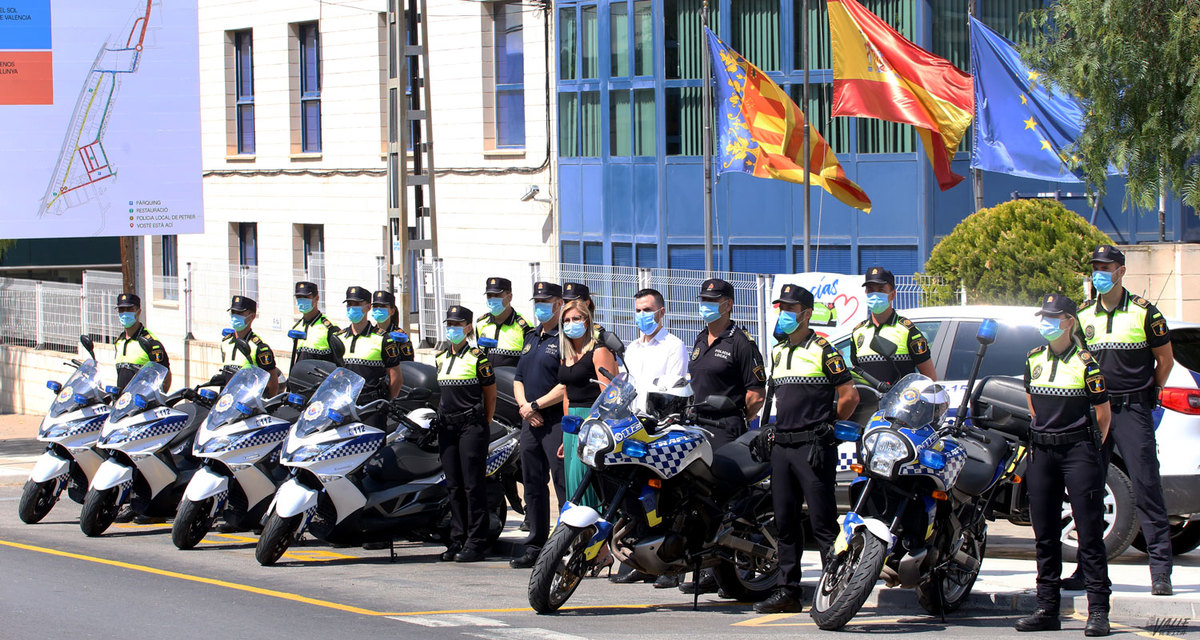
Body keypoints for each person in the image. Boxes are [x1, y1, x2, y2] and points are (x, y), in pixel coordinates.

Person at [1061, 245, 1174, 596]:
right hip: (1094, 413)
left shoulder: (1145, 313)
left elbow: (1165, 361)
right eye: (1095, 266)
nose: (1099, 273)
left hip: (1132, 410)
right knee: (1087, 490)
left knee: (1145, 487)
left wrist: (1148, 393)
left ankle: (1160, 571)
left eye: (1105, 267)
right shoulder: (1082, 316)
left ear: (1121, 271)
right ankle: (1088, 569)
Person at [754, 284, 859, 613]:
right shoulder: (777, 351)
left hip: (813, 448)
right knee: (785, 522)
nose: (784, 313)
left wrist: (829, 428)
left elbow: (850, 396)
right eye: (781, 307)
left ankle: (835, 589)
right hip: (783, 447)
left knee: (823, 523)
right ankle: (788, 592)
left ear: (806, 313)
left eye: (790, 307)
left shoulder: (825, 350)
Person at [1015, 293, 1111, 637]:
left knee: (1088, 532)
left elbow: (1103, 414)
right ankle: (1047, 607)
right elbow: (1031, 402)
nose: (1047, 322)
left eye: (1054, 317)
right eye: (1044, 315)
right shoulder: (1033, 358)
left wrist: (1088, 447)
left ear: (1069, 321)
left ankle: (1099, 610)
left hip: (1078, 452)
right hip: (1042, 453)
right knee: (1044, 533)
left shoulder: (1087, 362)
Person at [683, 277, 766, 595]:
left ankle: (719, 567)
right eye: (703, 299)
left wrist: (734, 417)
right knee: (694, 498)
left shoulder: (741, 342)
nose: (705, 305)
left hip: (725, 430)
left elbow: (756, 394)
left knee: (719, 500)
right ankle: (698, 562)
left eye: (712, 300)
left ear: (728, 305)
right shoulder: (701, 337)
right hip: (695, 426)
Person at [611, 287, 689, 587]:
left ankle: (670, 563)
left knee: (665, 496)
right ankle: (640, 560)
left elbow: (673, 387)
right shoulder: (632, 348)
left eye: (648, 310)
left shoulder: (673, 346)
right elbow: (625, 385)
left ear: (661, 312)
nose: (642, 315)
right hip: (631, 427)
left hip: (659, 428)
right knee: (633, 494)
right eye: (638, 310)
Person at [510, 281, 568, 569]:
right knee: (532, 483)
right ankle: (536, 543)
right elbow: (518, 377)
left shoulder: (565, 339)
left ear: (559, 304)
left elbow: (565, 384)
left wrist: (536, 406)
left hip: (553, 420)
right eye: (537, 301)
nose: (540, 306)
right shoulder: (531, 337)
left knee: (561, 484)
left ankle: (563, 546)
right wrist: (524, 407)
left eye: (546, 301)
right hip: (530, 421)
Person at [435, 305, 497, 563]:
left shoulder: (477, 357)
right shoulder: (440, 357)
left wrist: (485, 419)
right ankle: (457, 538)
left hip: (471, 426)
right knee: (453, 485)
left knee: (473, 485)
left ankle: (476, 541)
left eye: (458, 324)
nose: (453, 329)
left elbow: (490, 393)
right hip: (447, 427)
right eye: (449, 323)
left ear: (469, 327)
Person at [553, 300, 617, 508]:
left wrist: (594, 427)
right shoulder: (566, 355)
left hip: (592, 421)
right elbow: (566, 394)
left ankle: (597, 534)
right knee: (572, 481)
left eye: (576, 318)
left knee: (585, 479)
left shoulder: (599, 351)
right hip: (572, 424)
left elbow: (608, 395)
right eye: (567, 320)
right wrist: (566, 432)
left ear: (587, 321)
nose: (571, 323)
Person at [849, 266, 936, 386]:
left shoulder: (907, 330)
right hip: (870, 404)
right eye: (870, 290)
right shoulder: (858, 332)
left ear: (893, 294)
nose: (875, 295)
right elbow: (857, 375)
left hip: (901, 403)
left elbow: (929, 379)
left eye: (881, 290)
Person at [339, 286, 404, 429]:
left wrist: (387, 403)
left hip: (371, 408)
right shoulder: (338, 337)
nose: (352, 308)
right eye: (349, 304)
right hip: (343, 406)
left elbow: (396, 377)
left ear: (368, 307)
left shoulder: (383, 339)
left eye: (357, 304)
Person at [221, 295, 281, 395]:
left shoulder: (260, 348)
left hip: (247, 403)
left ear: (252, 316)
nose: (235, 316)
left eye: (240, 313)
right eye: (233, 312)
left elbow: (272, 385)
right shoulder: (225, 342)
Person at [112, 293, 171, 393]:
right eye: (121, 310)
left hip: (143, 404)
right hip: (123, 403)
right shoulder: (119, 342)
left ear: (138, 311)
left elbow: (165, 375)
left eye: (129, 309)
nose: (125, 314)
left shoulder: (150, 342)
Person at [475, 277, 533, 368]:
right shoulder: (481, 323)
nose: (492, 299)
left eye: (497, 295)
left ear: (509, 297)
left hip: (512, 380)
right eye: (489, 296)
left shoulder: (524, 326)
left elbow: (530, 361)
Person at [562, 282, 624, 359]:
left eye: (574, 301)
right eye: (566, 302)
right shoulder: (563, 329)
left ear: (587, 303)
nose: (569, 305)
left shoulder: (598, 333)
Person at [290, 282, 340, 365]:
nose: (302, 300)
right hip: (301, 376)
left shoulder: (329, 328)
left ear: (316, 298)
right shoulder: (297, 327)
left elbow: (339, 360)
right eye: (299, 297)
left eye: (306, 297)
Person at [370, 290, 414, 361]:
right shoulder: (369, 333)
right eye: (375, 306)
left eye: (382, 306)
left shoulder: (400, 336)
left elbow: (408, 363)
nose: (378, 309)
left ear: (392, 311)